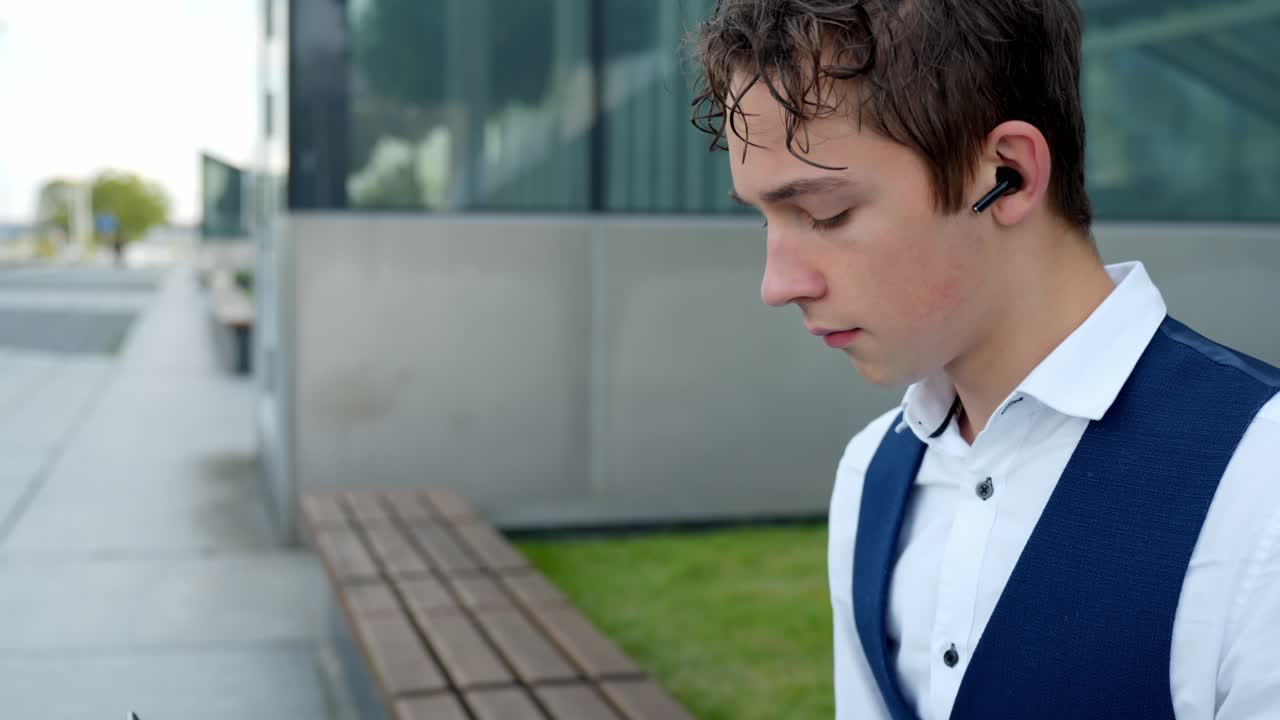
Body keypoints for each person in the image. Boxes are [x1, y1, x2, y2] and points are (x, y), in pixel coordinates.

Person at [689, 1, 1280, 719]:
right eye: (764, 218)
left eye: (825, 213)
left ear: (1008, 173)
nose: (776, 284)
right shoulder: (871, 473)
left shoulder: (1261, 485)